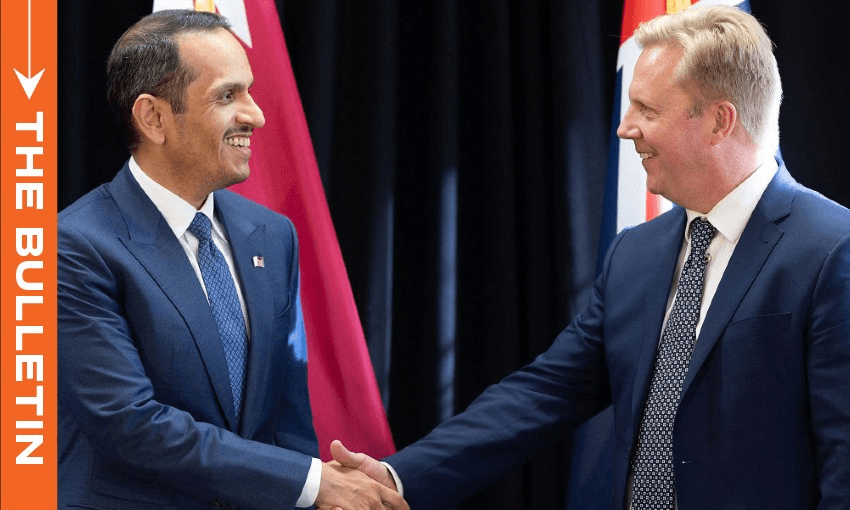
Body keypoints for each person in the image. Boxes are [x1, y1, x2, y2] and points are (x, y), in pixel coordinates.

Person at [329, 6, 850, 509]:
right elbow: (545, 392)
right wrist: (400, 475)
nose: (625, 128)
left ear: (720, 121)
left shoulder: (830, 249)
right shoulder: (637, 253)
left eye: (647, 110)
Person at [57, 10, 407, 510]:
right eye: (227, 96)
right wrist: (314, 483)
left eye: (249, 90)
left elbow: (286, 419)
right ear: (153, 118)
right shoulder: (72, 246)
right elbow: (131, 426)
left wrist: (307, 495)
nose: (255, 115)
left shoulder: (270, 234)